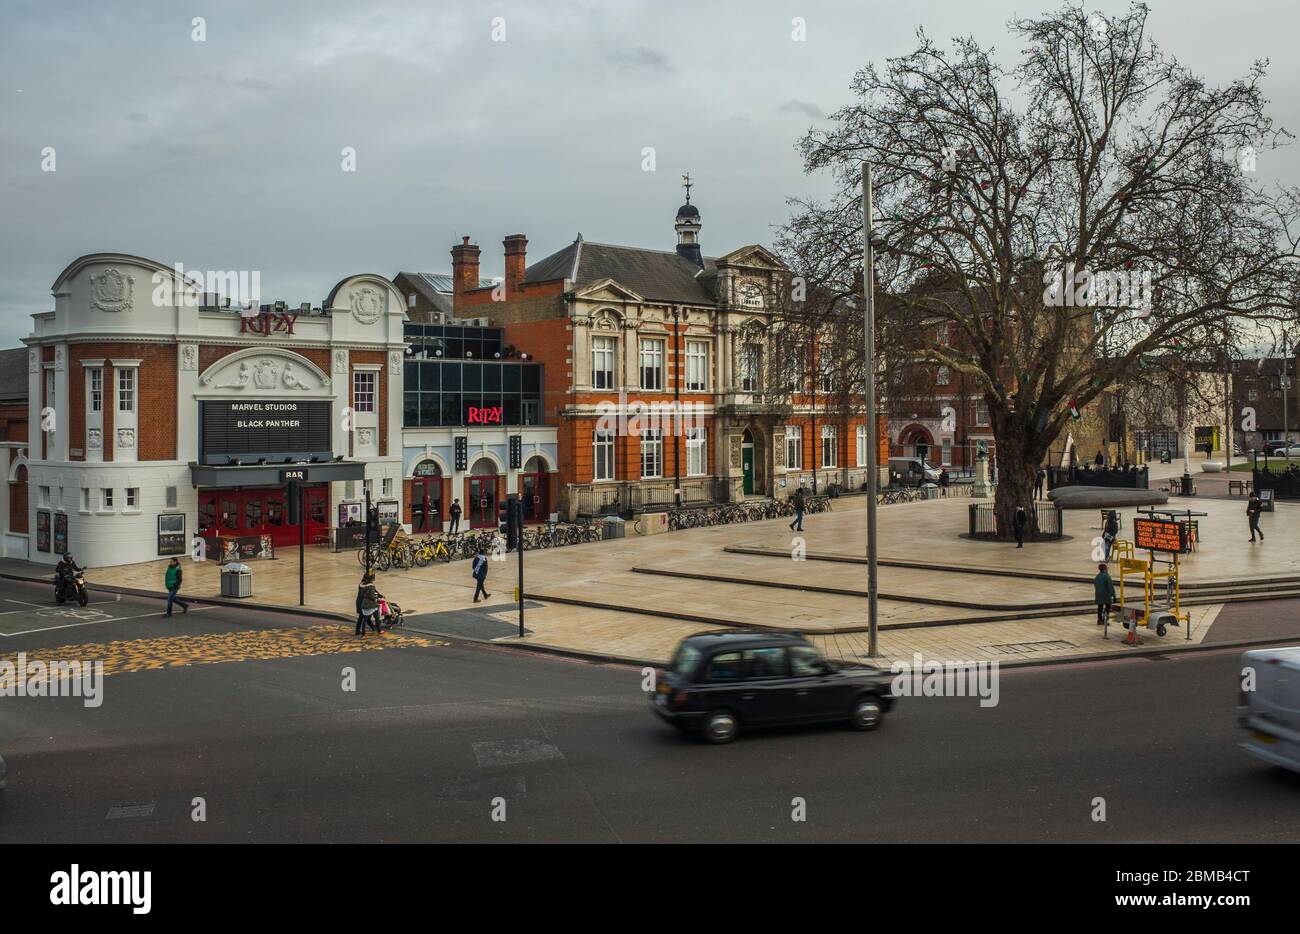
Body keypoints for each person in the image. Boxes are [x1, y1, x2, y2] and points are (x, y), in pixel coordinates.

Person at [356, 572, 381, 636]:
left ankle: (358, 631)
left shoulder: (361, 584)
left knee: (362, 617)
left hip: (359, 601)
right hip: (368, 603)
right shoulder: (370, 586)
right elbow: (372, 595)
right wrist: (377, 597)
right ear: (371, 579)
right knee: (376, 614)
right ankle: (378, 629)